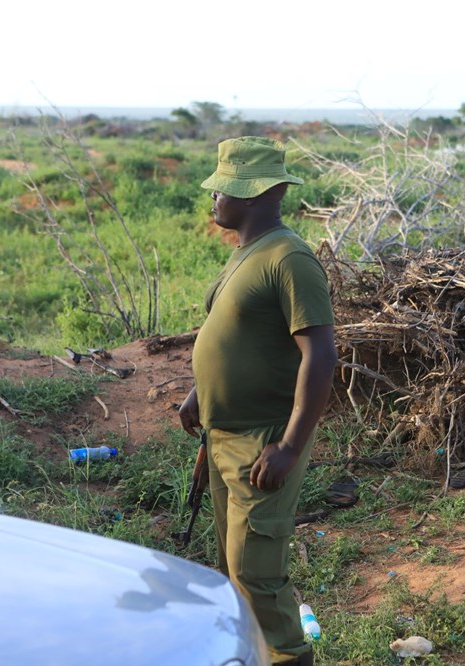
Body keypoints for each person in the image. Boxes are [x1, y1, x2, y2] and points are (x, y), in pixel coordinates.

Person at [178, 137, 337, 666]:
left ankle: (289, 657)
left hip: (263, 442)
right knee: (233, 569)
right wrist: (202, 394)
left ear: (247, 196)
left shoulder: (290, 258)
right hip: (225, 436)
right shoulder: (250, 252)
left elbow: (320, 355)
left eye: (222, 189)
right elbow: (244, 334)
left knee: (256, 574)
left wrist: (290, 446)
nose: (214, 200)